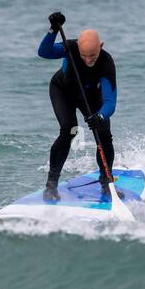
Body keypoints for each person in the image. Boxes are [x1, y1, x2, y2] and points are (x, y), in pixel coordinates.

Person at [37, 10, 117, 201]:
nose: (89, 60)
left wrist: (99, 116)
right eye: (84, 56)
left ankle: (106, 183)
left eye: (93, 56)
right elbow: (44, 52)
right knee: (69, 130)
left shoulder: (106, 63)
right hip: (63, 91)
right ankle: (51, 186)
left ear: (101, 47)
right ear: (77, 48)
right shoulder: (69, 48)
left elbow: (110, 102)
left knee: (104, 134)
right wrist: (53, 30)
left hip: (90, 96)